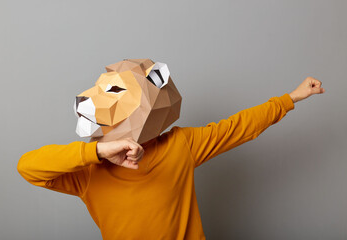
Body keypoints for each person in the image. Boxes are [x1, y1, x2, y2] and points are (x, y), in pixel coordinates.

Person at [17, 76, 325, 239]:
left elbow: (239, 127)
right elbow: (28, 167)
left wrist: (291, 98)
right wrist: (95, 152)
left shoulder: (180, 144)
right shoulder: (87, 170)